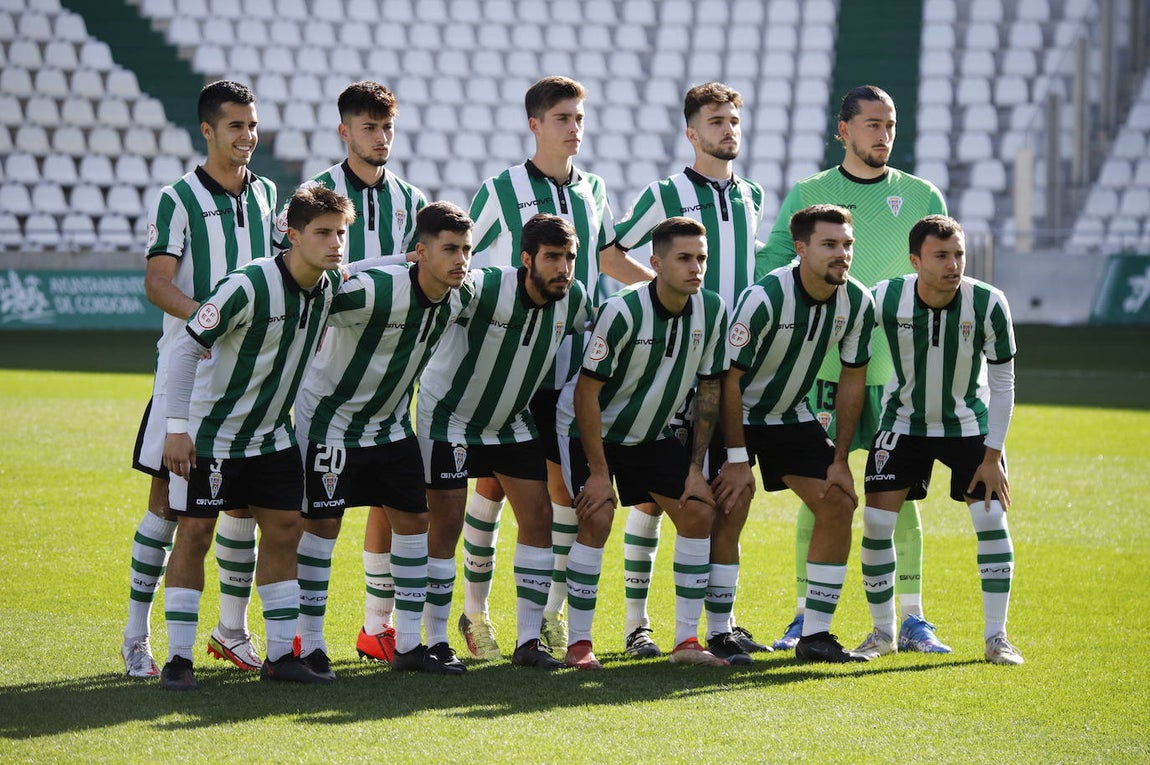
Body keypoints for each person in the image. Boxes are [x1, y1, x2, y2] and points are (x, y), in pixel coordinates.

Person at [458, 76, 651, 659]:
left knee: (562, 495)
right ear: (535, 124)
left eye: (580, 117)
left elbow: (607, 257)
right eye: (563, 117)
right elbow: (463, 261)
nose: (575, 127)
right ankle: (473, 613)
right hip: (508, 368)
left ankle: (549, 615)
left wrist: (663, 289)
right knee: (490, 487)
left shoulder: (593, 188)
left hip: (572, 369)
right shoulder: (501, 189)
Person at [756, 85, 951, 653]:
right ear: (843, 130)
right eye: (871, 124)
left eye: (889, 124)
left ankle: (910, 617)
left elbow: (941, 273)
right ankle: (804, 617)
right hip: (823, 370)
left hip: (898, 373)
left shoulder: (920, 194)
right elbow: (773, 262)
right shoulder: (812, 193)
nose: (883, 135)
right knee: (821, 493)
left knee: (899, 496)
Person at [158, 185, 355, 690]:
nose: (336, 243)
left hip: (271, 437)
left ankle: (281, 656)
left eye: (341, 232)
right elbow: (184, 349)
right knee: (196, 534)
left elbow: (381, 264)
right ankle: (179, 659)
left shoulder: (330, 285)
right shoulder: (247, 285)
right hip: (212, 435)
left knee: (286, 528)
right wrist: (176, 429)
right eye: (323, 233)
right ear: (292, 234)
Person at [599, 82, 768, 658]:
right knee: (651, 499)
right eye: (716, 122)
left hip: (726, 369)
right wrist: (669, 301)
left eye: (734, 122)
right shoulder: (665, 192)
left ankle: (719, 623)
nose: (728, 130)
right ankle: (636, 624)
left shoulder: (752, 195)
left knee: (728, 494)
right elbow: (610, 253)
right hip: (669, 365)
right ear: (692, 133)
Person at [123, 80, 274, 678]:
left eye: (252, 125)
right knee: (167, 508)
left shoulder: (266, 196)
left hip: (252, 381)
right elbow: (158, 283)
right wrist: (207, 318)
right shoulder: (178, 198)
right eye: (235, 126)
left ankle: (231, 631)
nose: (247, 136)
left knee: (244, 505)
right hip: (190, 373)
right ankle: (137, 637)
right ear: (208, 131)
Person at [292, 202, 474, 676]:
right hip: (330, 422)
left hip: (392, 426)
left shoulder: (457, 298)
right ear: (420, 252)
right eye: (450, 249)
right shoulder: (375, 291)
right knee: (322, 528)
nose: (461, 260)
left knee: (415, 520)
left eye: (466, 250)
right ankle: (308, 643)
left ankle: (410, 645)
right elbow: (312, 295)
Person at [282, 80, 429, 664]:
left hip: (392, 376)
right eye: (369, 127)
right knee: (319, 514)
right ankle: (298, 634)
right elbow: (300, 274)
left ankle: (377, 627)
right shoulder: (313, 197)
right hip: (325, 374)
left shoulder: (411, 200)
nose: (380, 137)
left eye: (387, 127)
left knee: (391, 508)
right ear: (345, 132)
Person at [417, 213, 593, 670]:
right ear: (527, 258)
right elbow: (431, 295)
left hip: (511, 422)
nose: (564, 268)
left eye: (570, 258)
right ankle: (437, 639)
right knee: (446, 524)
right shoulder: (484, 287)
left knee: (538, 518)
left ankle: (528, 642)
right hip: (448, 418)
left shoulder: (573, 300)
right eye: (553, 258)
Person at [558, 216, 730, 670]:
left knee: (699, 510)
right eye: (685, 258)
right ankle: (579, 644)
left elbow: (710, 388)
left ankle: (686, 642)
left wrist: (695, 465)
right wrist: (598, 474)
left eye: (702, 259)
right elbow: (585, 393)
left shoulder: (712, 309)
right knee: (596, 517)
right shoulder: (622, 311)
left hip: (652, 435)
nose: (696, 268)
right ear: (655, 262)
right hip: (589, 428)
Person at [852, 215, 1023, 666]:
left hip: (969, 428)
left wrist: (993, 455)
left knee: (991, 522)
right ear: (915, 260)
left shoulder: (988, 302)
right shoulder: (886, 296)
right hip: (901, 424)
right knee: (875, 524)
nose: (953, 265)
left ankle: (996, 638)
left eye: (959, 254)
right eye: (941, 255)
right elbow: (848, 345)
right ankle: (883, 633)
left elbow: (1004, 385)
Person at [714, 204, 874, 663]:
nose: (841, 254)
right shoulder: (765, 298)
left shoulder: (857, 301)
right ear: (800, 249)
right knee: (730, 505)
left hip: (791, 415)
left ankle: (816, 635)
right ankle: (721, 632)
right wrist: (737, 457)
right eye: (829, 245)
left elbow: (852, 378)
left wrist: (840, 458)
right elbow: (729, 380)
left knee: (839, 501)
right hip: (737, 413)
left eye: (847, 245)